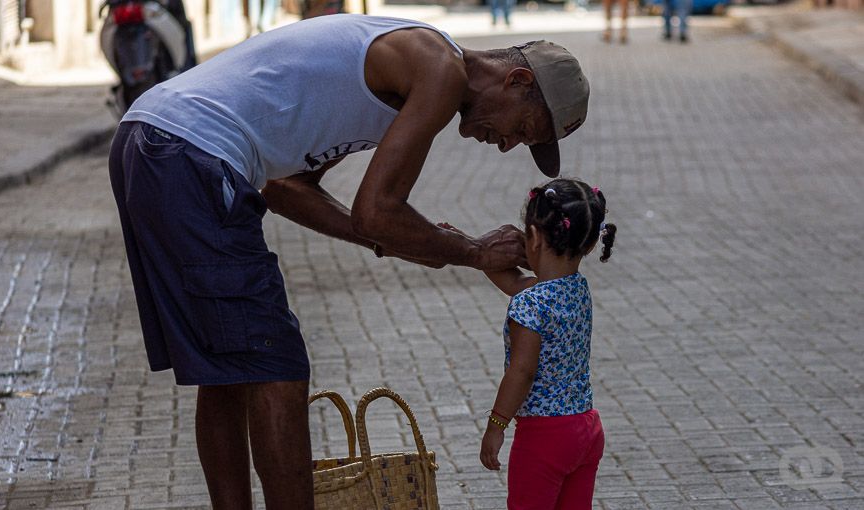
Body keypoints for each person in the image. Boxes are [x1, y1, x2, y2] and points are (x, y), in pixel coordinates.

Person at [108, 14, 589, 509]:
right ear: (517, 80)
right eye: (524, 129)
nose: (507, 144)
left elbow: (288, 189)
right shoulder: (441, 70)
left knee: (229, 370)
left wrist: (389, 239)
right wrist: (470, 251)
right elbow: (378, 211)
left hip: (151, 138)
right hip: (190, 153)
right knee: (278, 363)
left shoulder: (414, 74)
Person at [475, 178, 617, 509]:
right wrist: (475, 253)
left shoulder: (531, 303)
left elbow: (521, 372)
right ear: (590, 243)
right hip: (586, 430)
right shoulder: (576, 287)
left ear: (534, 238)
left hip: (544, 439)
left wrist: (496, 425)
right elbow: (517, 283)